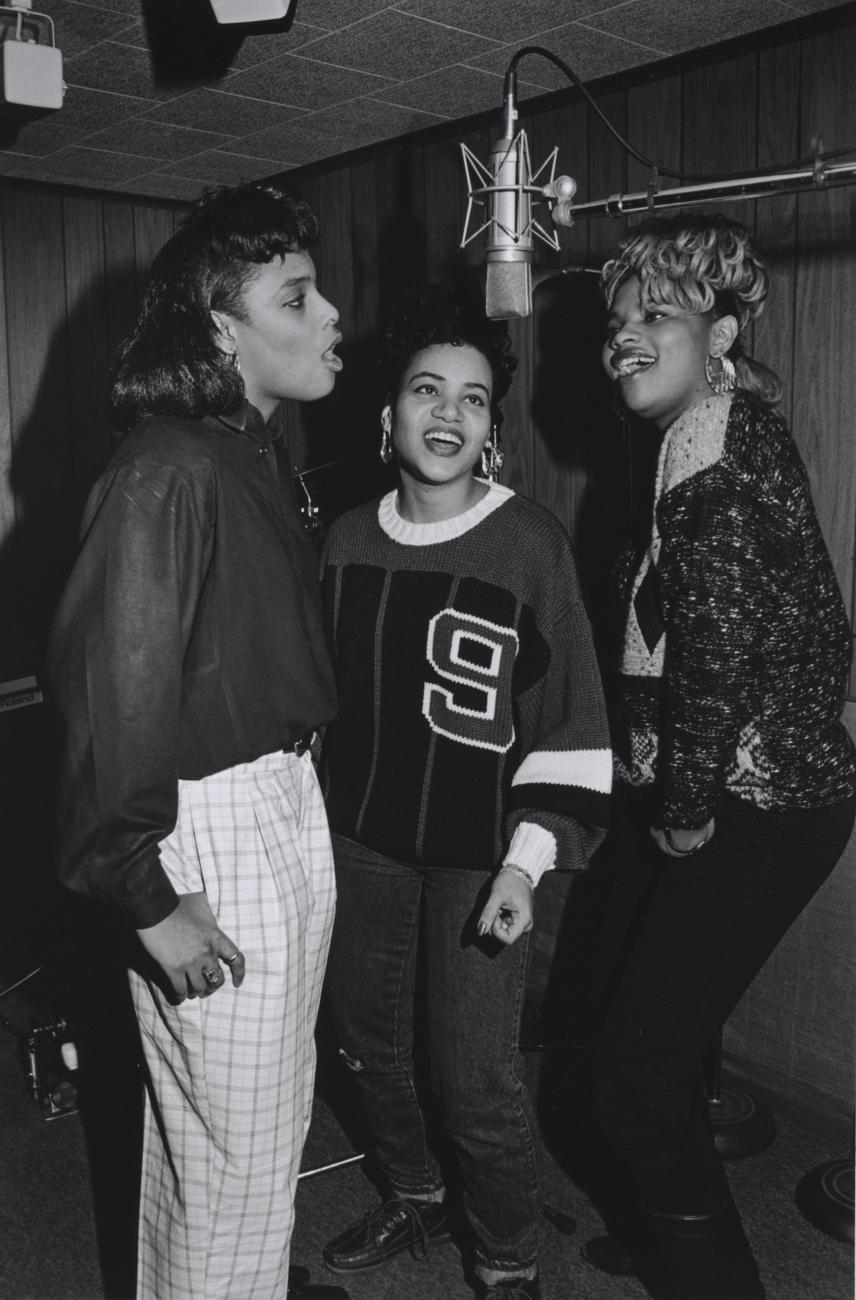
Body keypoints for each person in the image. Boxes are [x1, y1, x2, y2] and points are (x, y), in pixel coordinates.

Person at [48, 181, 350, 1300]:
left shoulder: (251, 449)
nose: (331, 318)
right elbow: (107, 696)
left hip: (277, 800)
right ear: (222, 328)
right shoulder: (165, 465)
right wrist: (148, 895)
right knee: (235, 1163)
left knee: (246, 1147)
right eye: (299, 296)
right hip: (206, 826)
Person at [317, 283, 612, 1300]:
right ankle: (414, 1191)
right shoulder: (344, 539)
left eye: (474, 399)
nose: (448, 413)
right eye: (426, 390)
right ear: (386, 416)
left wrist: (528, 863)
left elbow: (573, 724)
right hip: (360, 841)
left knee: (475, 1077)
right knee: (362, 1041)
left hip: (481, 853)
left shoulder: (529, 545)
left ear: (490, 428)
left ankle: (507, 1258)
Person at [583, 214, 856, 1300]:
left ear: (725, 332)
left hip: (749, 805)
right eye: (615, 322)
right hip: (738, 790)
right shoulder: (714, 433)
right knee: (649, 1023)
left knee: (632, 1079)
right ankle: (666, 1228)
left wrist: (685, 803)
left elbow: (716, 649)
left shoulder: (713, 448)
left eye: (656, 315)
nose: (622, 339)